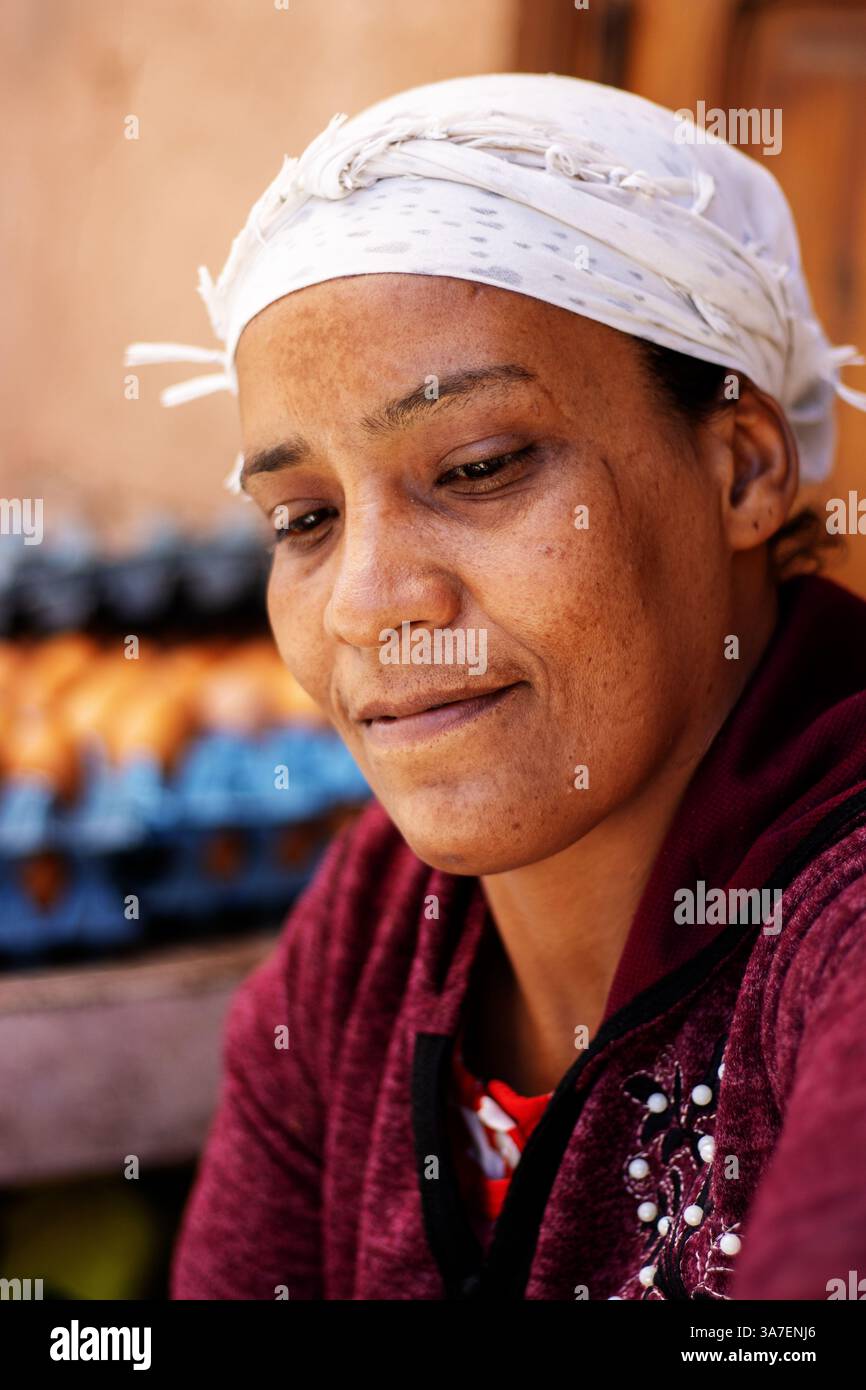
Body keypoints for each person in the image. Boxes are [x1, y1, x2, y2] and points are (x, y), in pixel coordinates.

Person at [126, 73, 866, 1300]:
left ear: (738, 471)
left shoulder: (830, 938)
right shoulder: (372, 935)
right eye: (303, 517)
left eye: (476, 467)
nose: (368, 602)